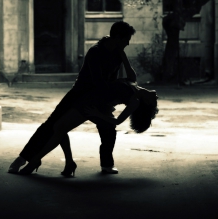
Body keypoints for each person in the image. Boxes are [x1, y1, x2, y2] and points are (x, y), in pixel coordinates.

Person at [9, 22, 137, 175]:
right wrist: (119, 84)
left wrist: (123, 58)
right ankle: (23, 158)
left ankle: (106, 164)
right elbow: (99, 83)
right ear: (117, 37)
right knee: (51, 124)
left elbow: (132, 79)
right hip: (79, 94)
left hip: (100, 96)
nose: (128, 43)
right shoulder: (95, 52)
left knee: (108, 129)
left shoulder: (118, 53)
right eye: (126, 39)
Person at [17, 79, 159, 175]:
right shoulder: (134, 82)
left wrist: (97, 113)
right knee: (59, 127)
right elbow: (124, 65)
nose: (157, 97)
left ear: (146, 102)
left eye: (154, 102)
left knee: (59, 127)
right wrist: (121, 53)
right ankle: (68, 163)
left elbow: (117, 122)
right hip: (88, 100)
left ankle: (37, 160)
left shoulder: (135, 101)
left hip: (91, 106)